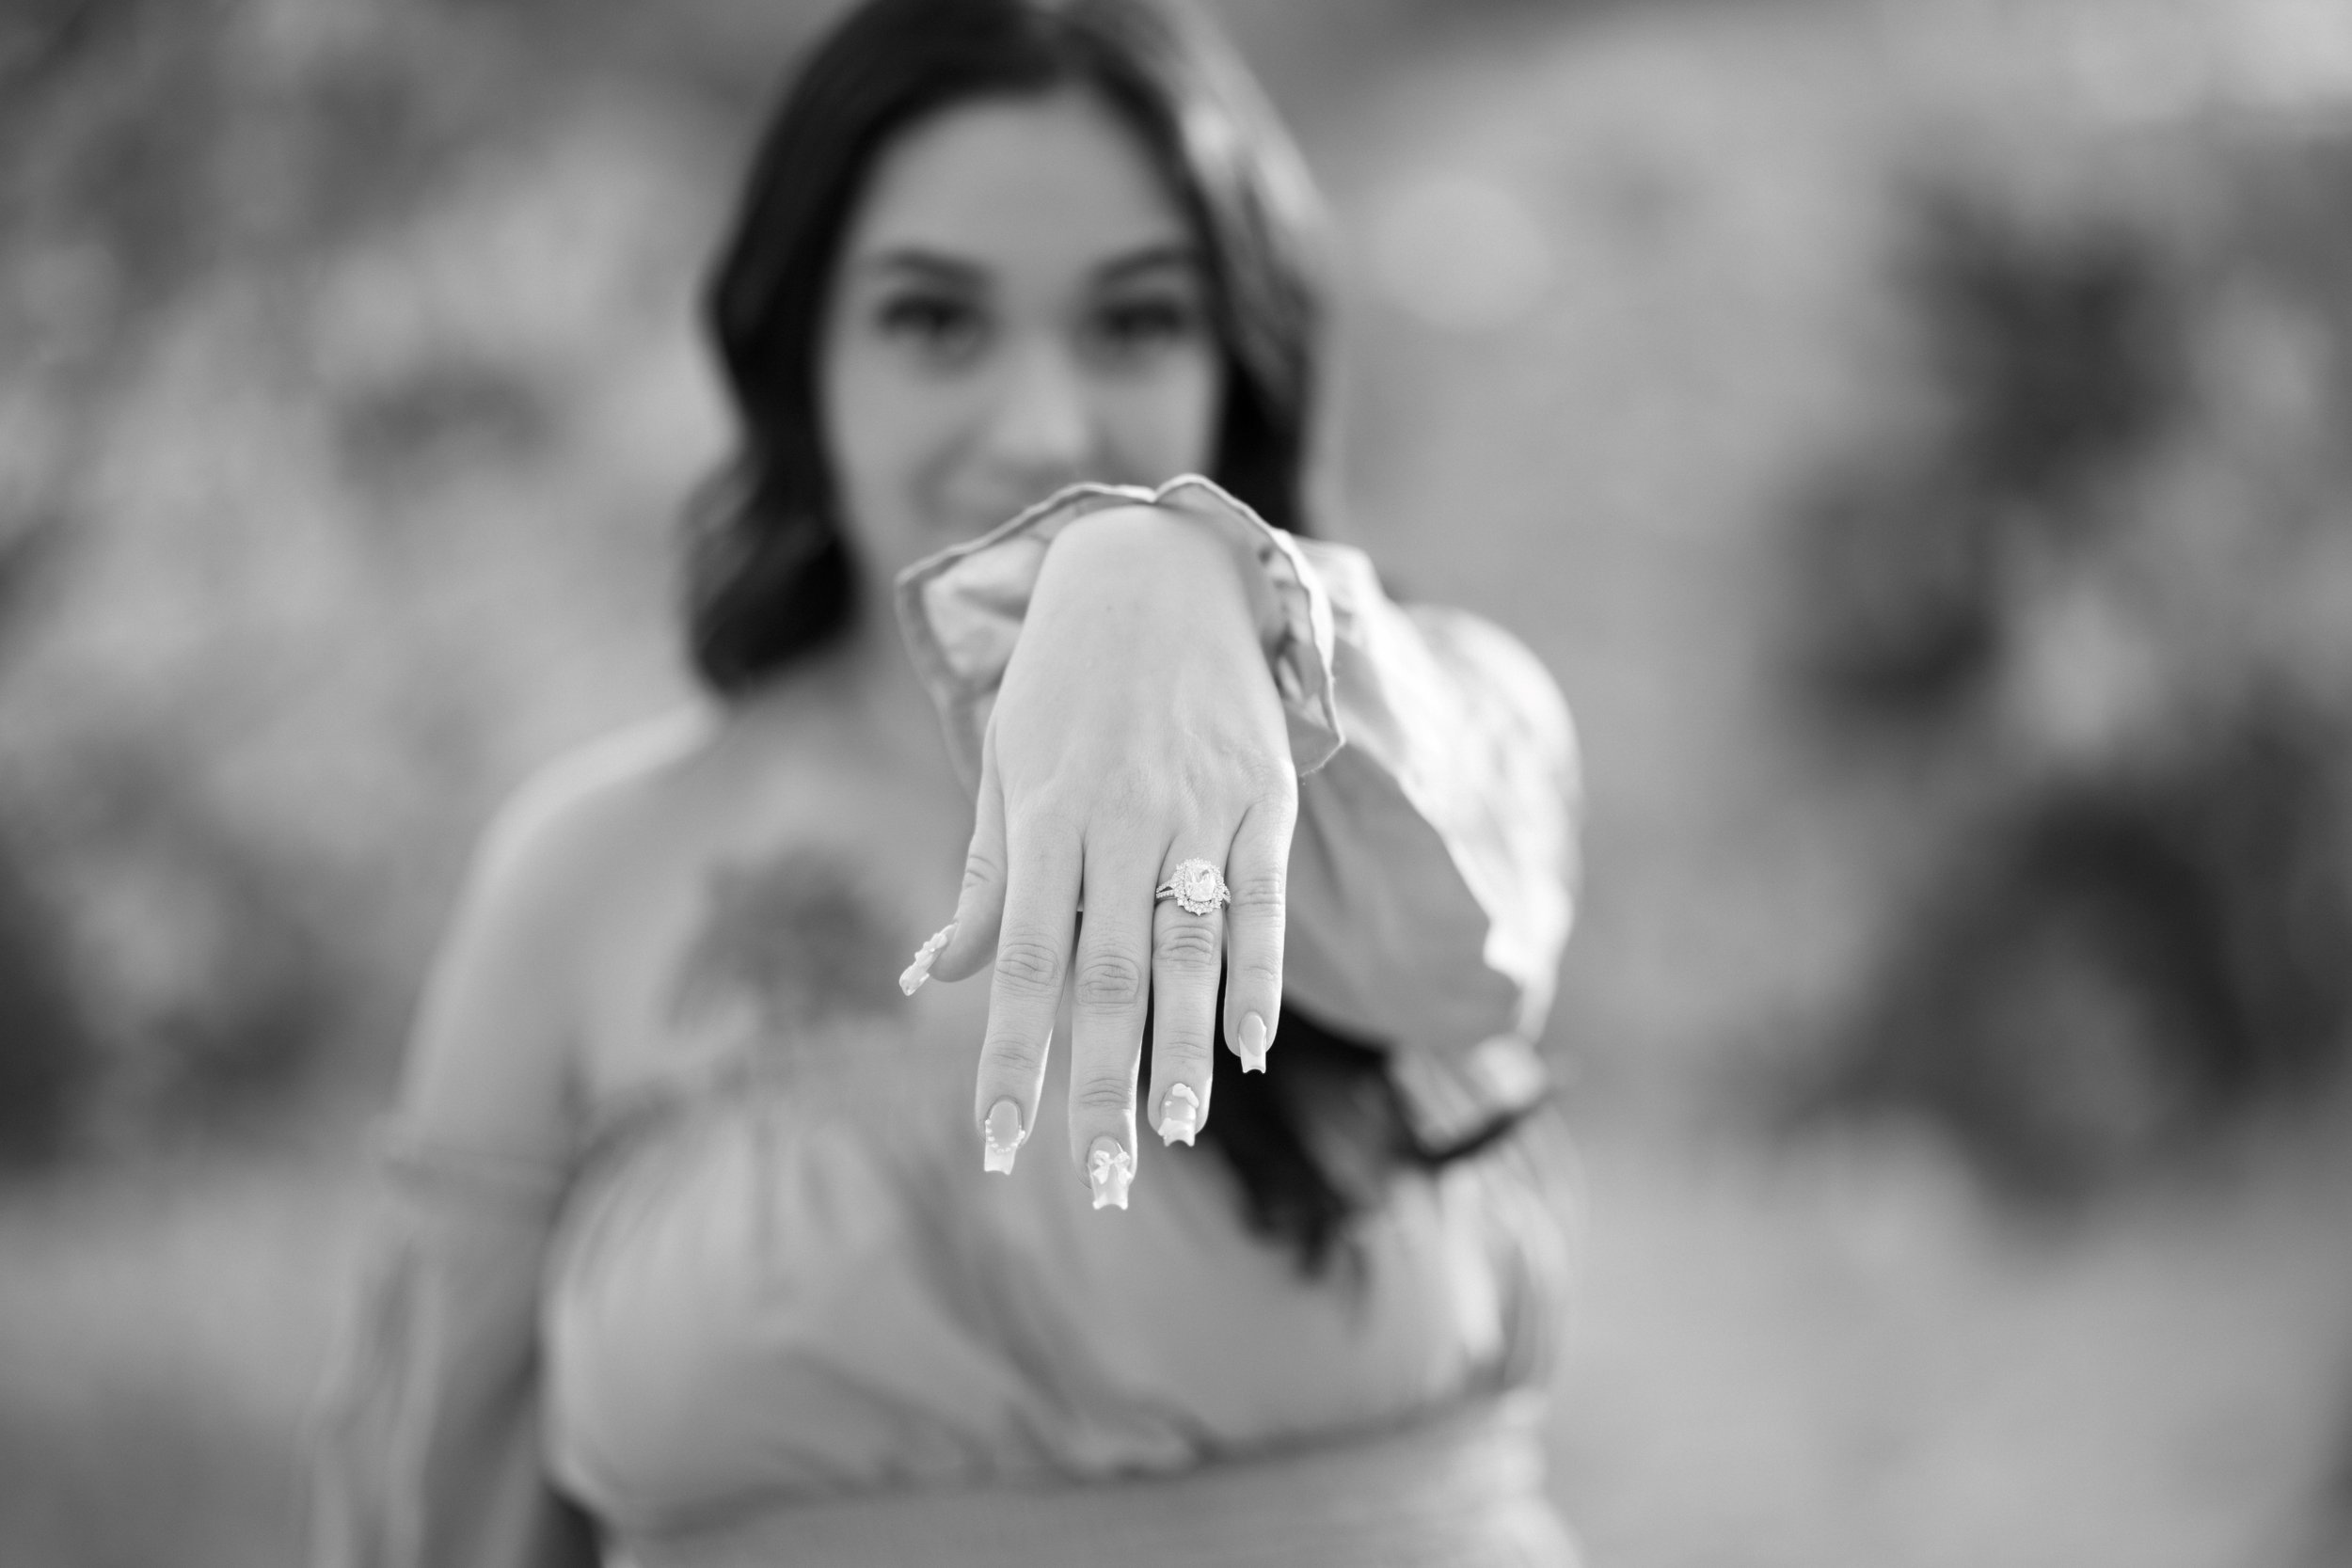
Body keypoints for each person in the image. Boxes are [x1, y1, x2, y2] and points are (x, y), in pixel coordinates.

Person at [310, 0, 1583, 1563]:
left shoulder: (1400, 744)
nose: (1043, 427)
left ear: (1235, 362)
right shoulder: (588, 875)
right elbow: (436, 1512)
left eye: (1136, 322)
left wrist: (1187, 568)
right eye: (935, 320)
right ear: (800, 359)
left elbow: (1481, 937)